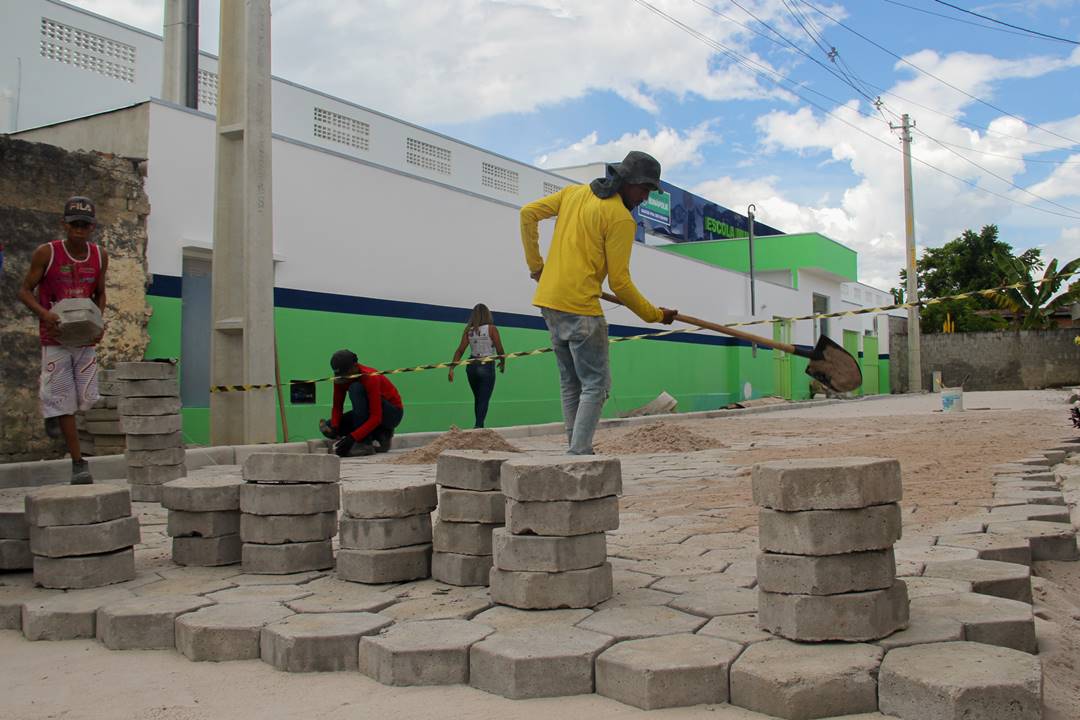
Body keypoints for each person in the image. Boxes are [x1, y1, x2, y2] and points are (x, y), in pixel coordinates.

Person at [520, 151, 677, 455]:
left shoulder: (573, 194)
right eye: (644, 189)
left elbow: (527, 213)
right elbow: (620, 283)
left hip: (549, 303)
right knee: (595, 385)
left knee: (571, 384)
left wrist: (537, 267)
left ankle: (574, 449)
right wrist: (655, 315)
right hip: (581, 310)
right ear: (627, 182)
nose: (645, 197)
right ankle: (579, 452)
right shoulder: (620, 217)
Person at [18, 196, 109, 484]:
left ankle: (53, 410)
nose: (78, 230)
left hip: (84, 338)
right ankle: (78, 463)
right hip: (55, 337)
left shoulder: (99, 256)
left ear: (92, 227)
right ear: (64, 225)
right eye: (74, 224)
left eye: (84, 225)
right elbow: (24, 291)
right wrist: (44, 314)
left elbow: (100, 292)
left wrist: (98, 319)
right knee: (63, 401)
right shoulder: (48, 253)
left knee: (88, 397)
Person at [320, 349, 404, 457]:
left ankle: (365, 443)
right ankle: (381, 435)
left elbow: (376, 417)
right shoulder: (341, 377)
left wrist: (352, 438)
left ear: (355, 366)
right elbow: (337, 407)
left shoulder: (370, 376)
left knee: (356, 388)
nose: (343, 378)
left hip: (391, 413)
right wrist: (336, 427)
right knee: (329, 426)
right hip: (367, 413)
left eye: (346, 374)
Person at [448, 303, 506, 428]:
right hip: (486, 365)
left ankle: (479, 426)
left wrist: (452, 368)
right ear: (487, 314)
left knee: (478, 398)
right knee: (484, 399)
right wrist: (502, 362)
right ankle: (478, 427)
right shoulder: (491, 329)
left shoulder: (469, 330)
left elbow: (460, 350)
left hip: (471, 366)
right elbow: (500, 348)